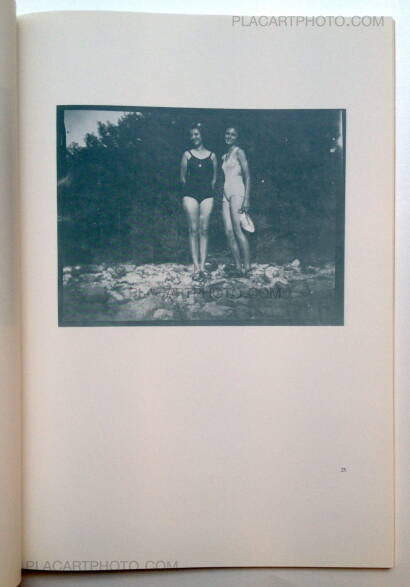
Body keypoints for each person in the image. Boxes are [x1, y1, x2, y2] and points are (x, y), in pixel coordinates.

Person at [180, 123, 217, 280]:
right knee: (193, 229)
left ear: (202, 135)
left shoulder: (212, 156)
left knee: (204, 229)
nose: (194, 137)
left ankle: (203, 266)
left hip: (207, 195)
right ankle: (195, 266)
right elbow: (182, 178)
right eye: (191, 135)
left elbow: (214, 179)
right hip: (190, 194)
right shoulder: (187, 155)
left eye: (196, 134)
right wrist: (190, 190)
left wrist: (207, 191)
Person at [221, 126, 251, 276]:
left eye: (233, 135)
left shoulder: (239, 152)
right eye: (227, 133)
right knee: (228, 231)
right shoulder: (224, 156)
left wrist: (247, 199)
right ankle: (238, 267)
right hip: (226, 194)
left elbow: (248, 176)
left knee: (238, 230)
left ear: (237, 137)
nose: (229, 136)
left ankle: (247, 267)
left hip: (237, 192)